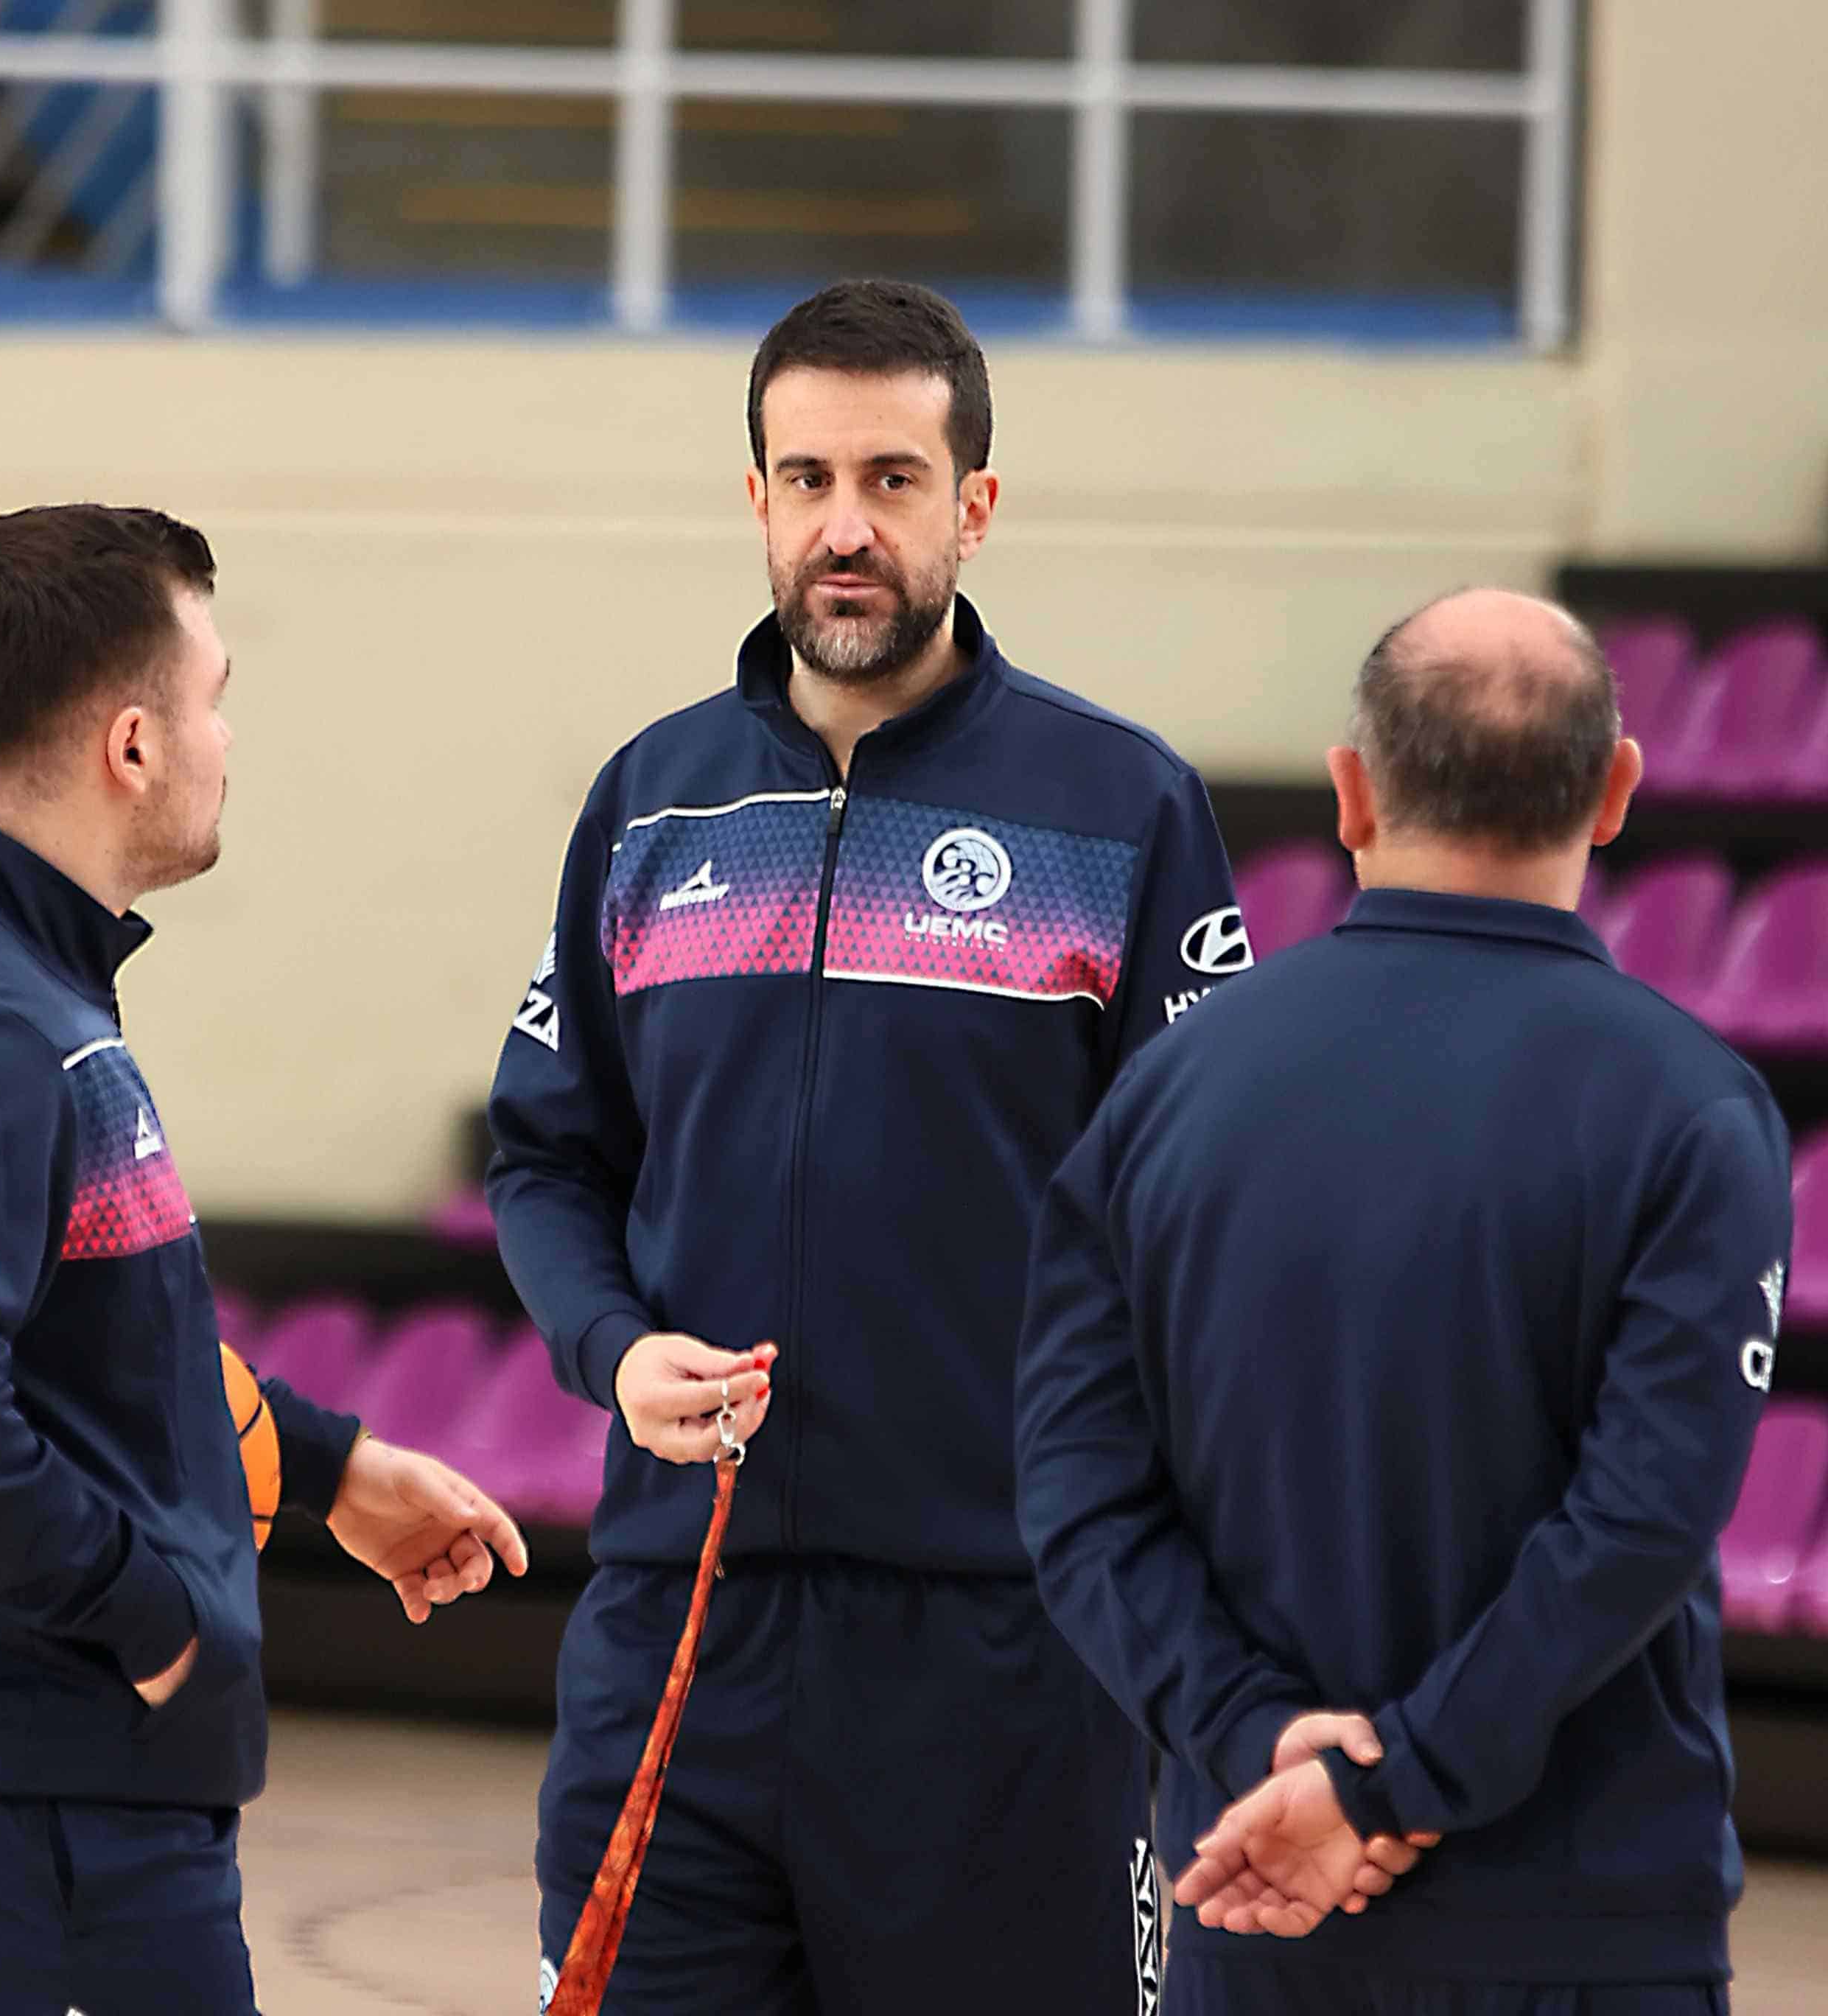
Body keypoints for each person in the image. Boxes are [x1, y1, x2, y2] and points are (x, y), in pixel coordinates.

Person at [488, 279, 1265, 2013]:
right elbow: (547, 1162)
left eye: (896, 481)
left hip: (1008, 1659)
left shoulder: (1123, 809)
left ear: (974, 507)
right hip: (675, 1640)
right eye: (809, 477)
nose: (848, 527)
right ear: (755, 498)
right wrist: (613, 1356)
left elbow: (1213, 1221)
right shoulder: (650, 803)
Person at [0, 504, 529, 2015]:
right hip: (7, 1795)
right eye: (217, 697)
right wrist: (148, 1619)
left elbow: (78, 1353)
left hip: (39, 1789)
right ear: (135, 745)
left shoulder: (13, 988)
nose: (230, 740)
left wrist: (327, 1466)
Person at [1018, 588, 1795, 2016]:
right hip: (1585, 1932)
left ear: (1352, 792)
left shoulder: (1165, 1091)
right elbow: (1643, 1520)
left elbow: (1073, 1490)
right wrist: (1389, 1782)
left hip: (1251, 1896)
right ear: (1616, 790)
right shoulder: (1694, 1111)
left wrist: (1262, 1740)